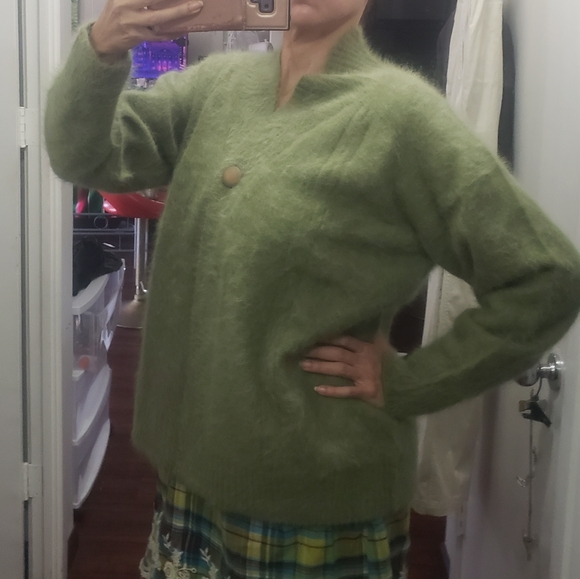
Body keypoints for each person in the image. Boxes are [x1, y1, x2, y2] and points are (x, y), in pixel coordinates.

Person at [44, 0, 580, 577]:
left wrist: (409, 380)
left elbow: (544, 277)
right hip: (193, 477)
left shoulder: (401, 116)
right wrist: (102, 46)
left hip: (309, 491)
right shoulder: (215, 87)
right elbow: (82, 154)